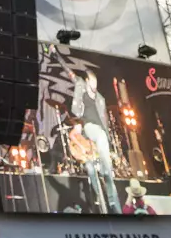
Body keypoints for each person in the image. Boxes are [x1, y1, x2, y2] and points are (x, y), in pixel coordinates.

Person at [49, 45, 120, 213]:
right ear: (88, 81)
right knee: (101, 136)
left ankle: (111, 204)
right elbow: (69, 71)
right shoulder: (80, 84)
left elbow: (105, 122)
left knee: (100, 172)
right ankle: (104, 168)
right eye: (92, 84)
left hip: (99, 136)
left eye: (96, 85)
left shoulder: (100, 99)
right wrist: (55, 54)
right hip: (89, 127)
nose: (94, 88)